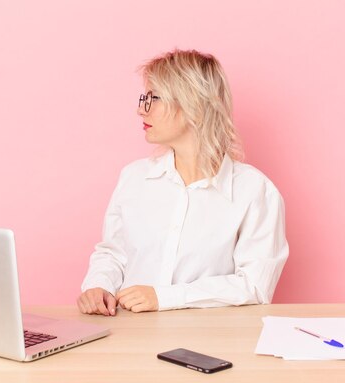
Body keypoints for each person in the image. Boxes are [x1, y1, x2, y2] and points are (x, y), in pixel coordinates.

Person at [77, 49, 288, 316]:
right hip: (130, 335)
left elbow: (255, 285)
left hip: (208, 344)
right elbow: (113, 253)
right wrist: (98, 286)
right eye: (144, 98)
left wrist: (163, 297)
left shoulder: (255, 191)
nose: (141, 109)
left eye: (153, 98)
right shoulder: (134, 178)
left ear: (194, 106)